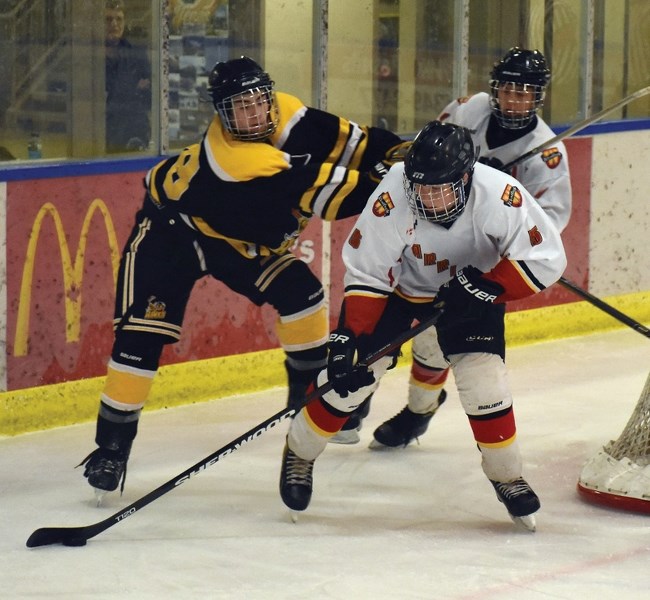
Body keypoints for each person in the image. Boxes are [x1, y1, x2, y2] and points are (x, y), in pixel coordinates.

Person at [78, 56, 406, 497]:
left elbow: (358, 143)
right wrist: (400, 177)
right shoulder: (236, 162)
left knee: (303, 296)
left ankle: (304, 401)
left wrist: (400, 151)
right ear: (221, 112)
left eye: (258, 101)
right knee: (141, 337)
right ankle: (111, 450)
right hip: (170, 231)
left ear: (270, 96)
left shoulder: (289, 112)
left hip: (233, 239)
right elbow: (334, 197)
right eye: (240, 107)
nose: (254, 113)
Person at [279, 120, 567, 530]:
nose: (429, 197)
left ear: (465, 177)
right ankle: (299, 452)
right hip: (400, 290)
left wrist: (485, 286)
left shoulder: (499, 194)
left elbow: (546, 259)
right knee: (348, 380)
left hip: (474, 291)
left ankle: (507, 476)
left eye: (440, 187)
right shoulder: (394, 192)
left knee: (486, 384)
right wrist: (349, 336)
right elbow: (368, 272)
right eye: (422, 187)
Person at [334, 47, 573, 447]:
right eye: (508, 91)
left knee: (433, 341)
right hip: (425, 234)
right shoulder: (468, 110)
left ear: (538, 97)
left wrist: (497, 189)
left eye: (525, 93)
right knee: (381, 319)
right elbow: (432, 150)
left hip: (476, 258)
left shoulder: (548, 154)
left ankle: (418, 412)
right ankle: (358, 398)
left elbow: (546, 226)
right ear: (494, 90)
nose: (515, 101)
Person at [104, 0, 152, 153]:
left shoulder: (135, 52)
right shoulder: (91, 55)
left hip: (133, 130)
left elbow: (148, 96)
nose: (114, 24)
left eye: (119, 19)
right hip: (102, 133)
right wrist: (132, 87)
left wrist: (121, 91)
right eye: (108, 19)